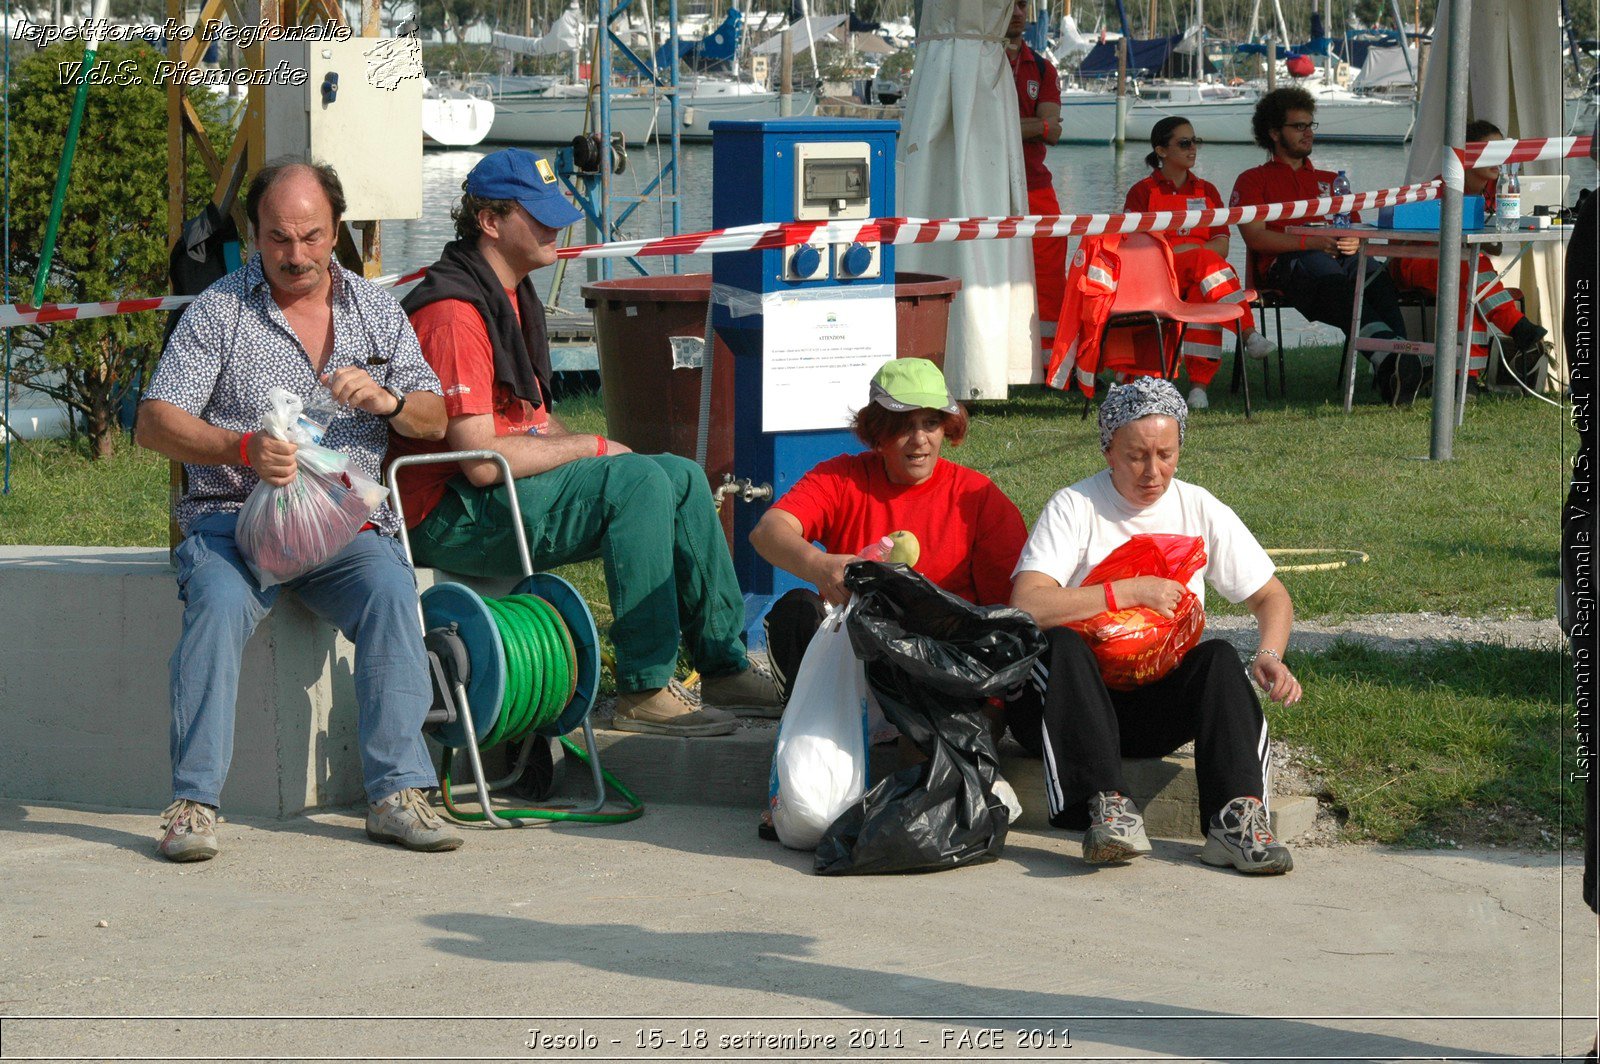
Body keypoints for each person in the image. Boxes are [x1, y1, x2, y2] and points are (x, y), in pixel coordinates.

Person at [136, 158, 463, 861]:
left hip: (341, 526)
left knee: (388, 588)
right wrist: (239, 446)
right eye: (279, 238)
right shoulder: (220, 311)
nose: (296, 255)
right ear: (254, 234)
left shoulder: (376, 309)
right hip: (233, 522)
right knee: (218, 608)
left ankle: (398, 792)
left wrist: (391, 402)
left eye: (311, 237)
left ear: (336, 229)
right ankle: (193, 805)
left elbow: (437, 420)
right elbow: (153, 422)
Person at [390, 148, 779, 739]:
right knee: (638, 479)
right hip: (441, 512)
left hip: (485, 494)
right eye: (540, 215)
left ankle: (722, 665)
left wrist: (600, 449)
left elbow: (535, 425)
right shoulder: (453, 314)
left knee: (676, 473)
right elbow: (476, 462)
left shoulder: (509, 295)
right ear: (490, 222)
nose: (559, 226)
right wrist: (595, 448)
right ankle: (645, 687)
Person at [1009, 377, 1301, 875]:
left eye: (1166, 454)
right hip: (1068, 708)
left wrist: (1270, 655)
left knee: (1219, 658)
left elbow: (1271, 596)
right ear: (1108, 452)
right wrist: (1127, 591)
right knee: (1060, 644)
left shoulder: (1199, 507)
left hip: (1149, 706)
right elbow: (1026, 606)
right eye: (1136, 456)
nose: (1153, 471)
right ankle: (1107, 808)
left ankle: (1236, 820)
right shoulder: (1074, 507)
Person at [749, 358, 1028, 701]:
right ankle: (812, 727)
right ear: (877, 431)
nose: (920, 439)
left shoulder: (978, 497)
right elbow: (767, 531)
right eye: (903, 425)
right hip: (851, 663)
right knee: (794, 611)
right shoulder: (842, 478)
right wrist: (819, 566)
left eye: (931, 423)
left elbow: (1007, 616)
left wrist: (989, 713)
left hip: (941, 673)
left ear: (947, 428)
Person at [1231, 86, 1422, 404]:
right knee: (1328, 276)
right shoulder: (1252, 180)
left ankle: (1395, 364)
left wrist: (1353, 241)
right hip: (1288, 266)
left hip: (1337, 259)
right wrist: (1312, 241)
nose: (1308, 133)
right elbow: (1255, 237)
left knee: (1375, 275)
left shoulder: (1333, 179)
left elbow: (1357, 228)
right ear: (1275, 133)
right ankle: (1394, 357)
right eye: (1299, 126)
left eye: (1310, 125)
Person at [1124, 116, 1277, 410]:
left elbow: (1222, 243)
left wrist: (1195, 253)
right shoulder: (1142, 192)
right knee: (1205, 260)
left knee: (1203, 292)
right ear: (1161, 151)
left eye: (1195, 141)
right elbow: (1139, 249)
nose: (1192, 148)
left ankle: (1198, 387)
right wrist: (1191, 252)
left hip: (1202, 276)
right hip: (1160, 276)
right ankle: (1248, 333)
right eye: (1184, 143)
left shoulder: (1207, 191)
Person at [1387, 119, 1550, 389]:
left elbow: (1493, 246)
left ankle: (1466, 380)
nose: (1500, 158)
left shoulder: (1490, 192)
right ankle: (1517, 327)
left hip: (1457, 267)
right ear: (1470, 154)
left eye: (1503, 151)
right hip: (1413, 260)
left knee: (1469, 288)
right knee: (1467, 267)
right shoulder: (1445, 188)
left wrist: (1494, 219)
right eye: (1491, 151)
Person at [1005, 0, 1064, 359]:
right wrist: (1036, 126)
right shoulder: (977, 64)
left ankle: (1049, 362)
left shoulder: (1042, 68)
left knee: (1049, 276)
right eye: (1009, 5)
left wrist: (1016, 127)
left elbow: (1053, 131)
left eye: (1023, 5)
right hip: (986, 186)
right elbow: (984, 131)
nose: (1017, 12)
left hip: (1036, 185)